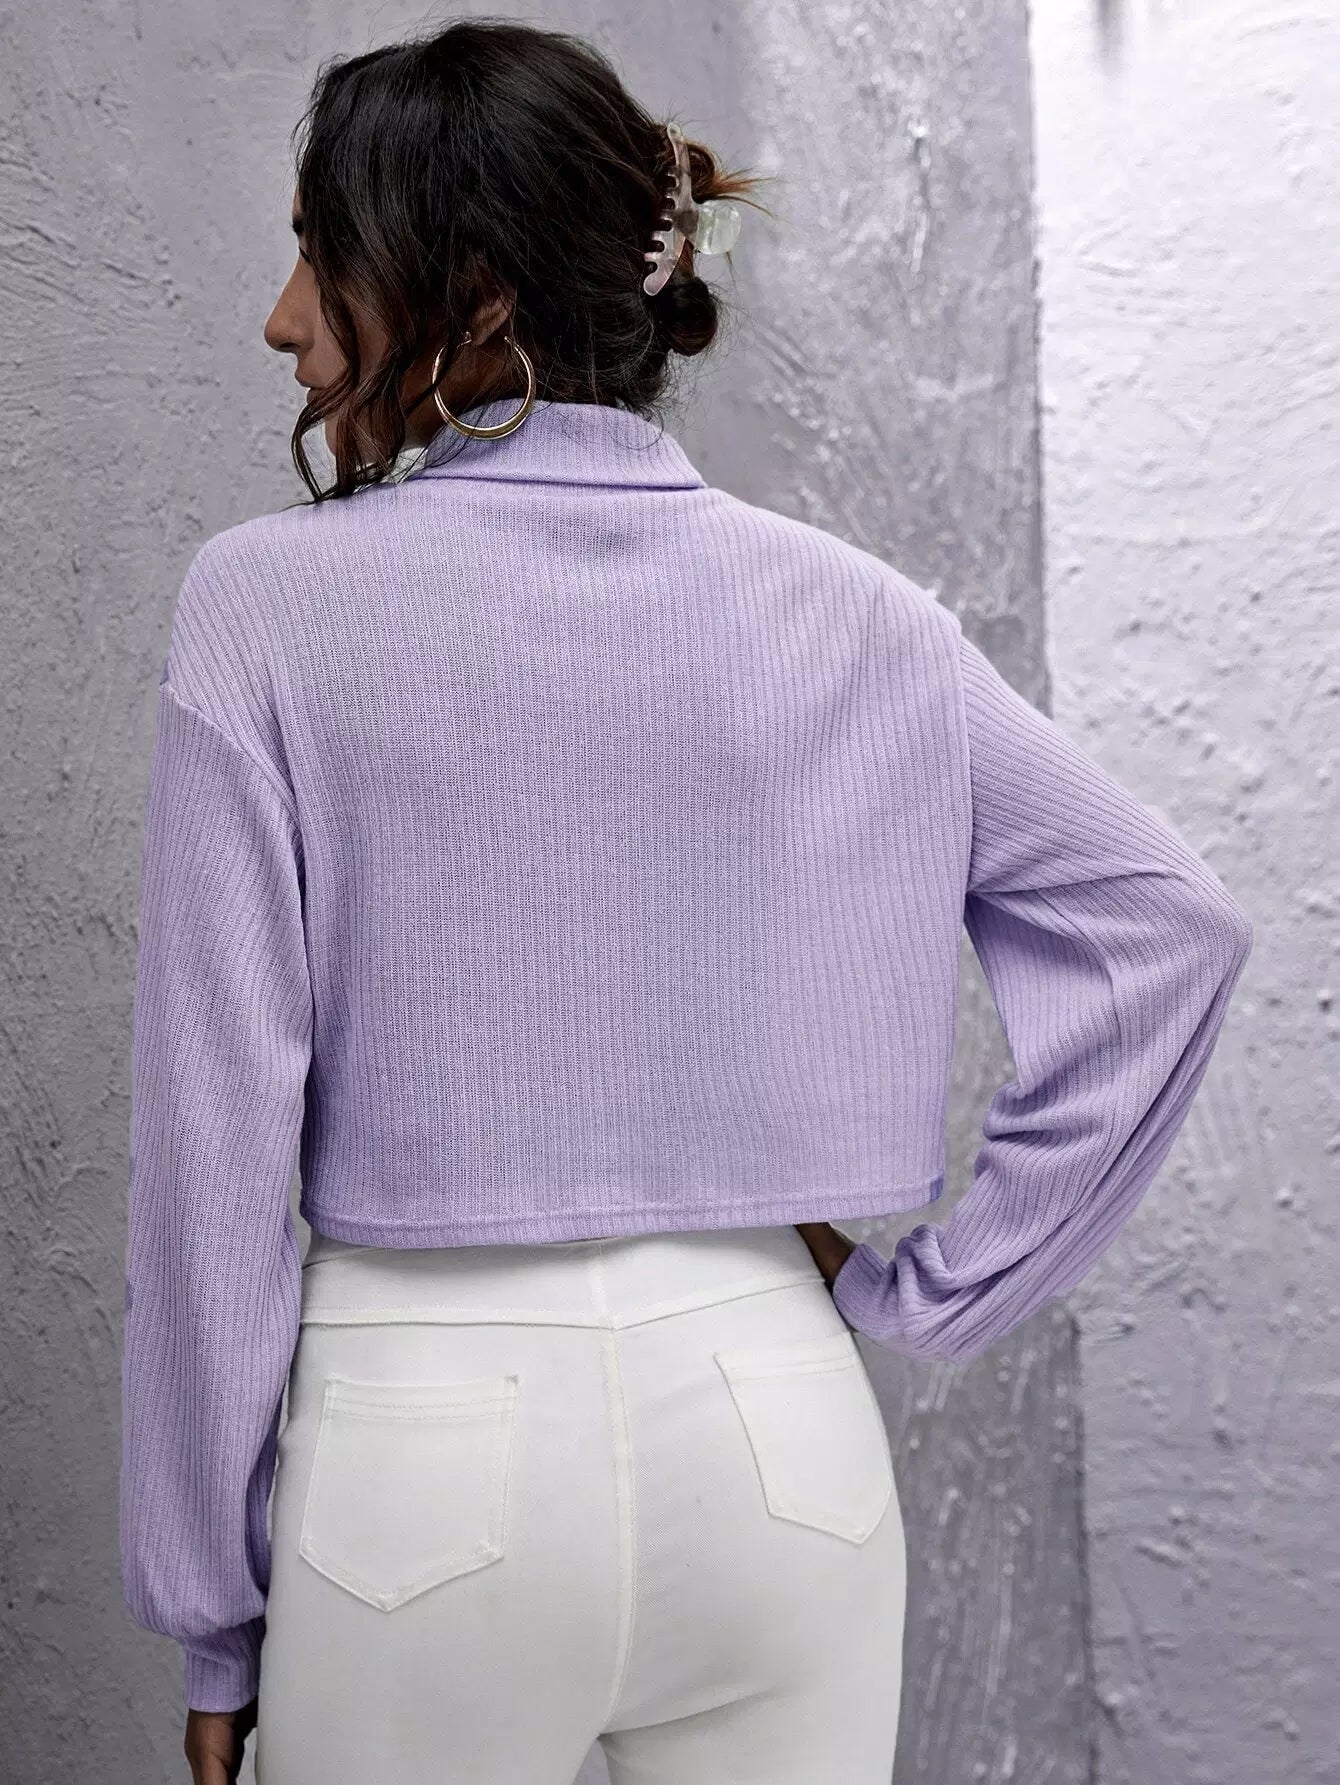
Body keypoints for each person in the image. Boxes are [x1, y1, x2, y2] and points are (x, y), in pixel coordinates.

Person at [118, 18, 1254, 1785]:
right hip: (780, 1434)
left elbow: (211, 1149)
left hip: (421, 1460)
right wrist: (929, 1292)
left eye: (322, 256)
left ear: (477, 299)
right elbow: (1169, 926)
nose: (283, 319)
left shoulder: (265, 606)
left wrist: (214, 1606)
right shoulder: (862, 617)